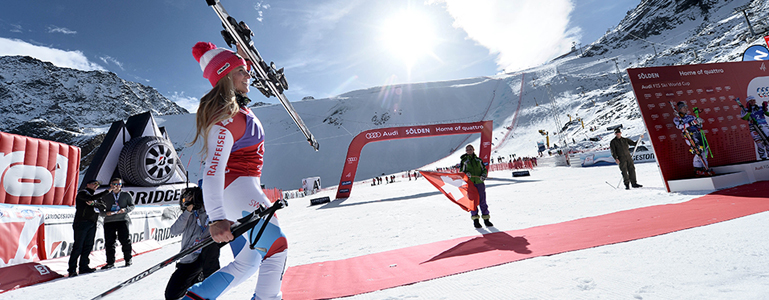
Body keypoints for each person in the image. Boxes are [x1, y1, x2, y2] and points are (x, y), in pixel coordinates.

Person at [184, 41, 287, 300]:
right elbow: (213, 170)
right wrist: (217, 217)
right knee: (277, 247)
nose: (248, 75)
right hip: (237, 190)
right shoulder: (227, 118)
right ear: (226, 76)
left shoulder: (238, 112)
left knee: (248, 262)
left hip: (242, 189)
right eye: (242, 71)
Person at [165, 187, 220, 300]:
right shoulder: (191, 215)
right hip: (188, 260)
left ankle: (210, 281)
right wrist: (187, 212)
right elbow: (174, 231)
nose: (187, 200)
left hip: (202, 259)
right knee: (172, 294)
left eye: (190, 198)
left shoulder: (215, 215)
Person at [67, 179, 111, 277]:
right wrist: (107, 191)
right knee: (78, 246)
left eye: (98, 184)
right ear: (88, 185)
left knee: (88, 245)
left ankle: (84, 266)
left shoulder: (95, 196)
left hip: (92, 223)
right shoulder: (83, 193)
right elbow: (91, 197)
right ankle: (72, 269)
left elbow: (103, 206)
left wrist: (94, 204)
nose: (96, 186)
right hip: (81, 223)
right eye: (94, 184)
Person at [99, 177, 135, 269]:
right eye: (114, 184)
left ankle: (128, 259)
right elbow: (99, 209)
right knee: (109, 242)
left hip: (122, 219)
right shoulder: (106, 196)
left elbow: (132, 206)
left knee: (125, 240)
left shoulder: (126, 195)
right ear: (111, 185)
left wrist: (125, 210)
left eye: (119, 184)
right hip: (109, 221)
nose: (117, 186)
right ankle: (110, 262)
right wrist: (105, 213)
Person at [673, 101, 714, 176]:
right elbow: (679, 127)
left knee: (705, 149)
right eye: (684, 107)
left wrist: (699, 123)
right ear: (680, 109)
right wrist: (691, 123)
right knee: (698, 151)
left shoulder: (691, 116)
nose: (686, 109)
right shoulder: (677, 118)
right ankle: (697, 169)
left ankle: (705, 167)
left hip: (698, 134)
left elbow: (698, 124)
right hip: (690, 136)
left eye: (686, 107)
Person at [460, 144, 492, 228]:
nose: (469, 151)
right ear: (466, 151)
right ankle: (475, 220)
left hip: (479, 183)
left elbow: (483, 169)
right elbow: (461, 172)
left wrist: (483, 175)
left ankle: (486, 219)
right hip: (471, 184)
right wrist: (466, 174)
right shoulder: (464, 161)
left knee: (483, 201)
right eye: (467, 149)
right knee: (473, 202)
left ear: (473, 149)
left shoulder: (478, 160)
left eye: (470, 149)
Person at [739, 96, 769, 160]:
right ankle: (763, 157)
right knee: (759, 143)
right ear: (747, 102)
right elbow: (744, 118)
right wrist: (749, 111)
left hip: (764, 126)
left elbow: (768, 114)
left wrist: (765, 108)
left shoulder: (760, 108)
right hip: (754, 128)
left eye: (753, 100)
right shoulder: (745, 110)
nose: (752, 102)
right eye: (750, 101)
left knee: (768, 141)